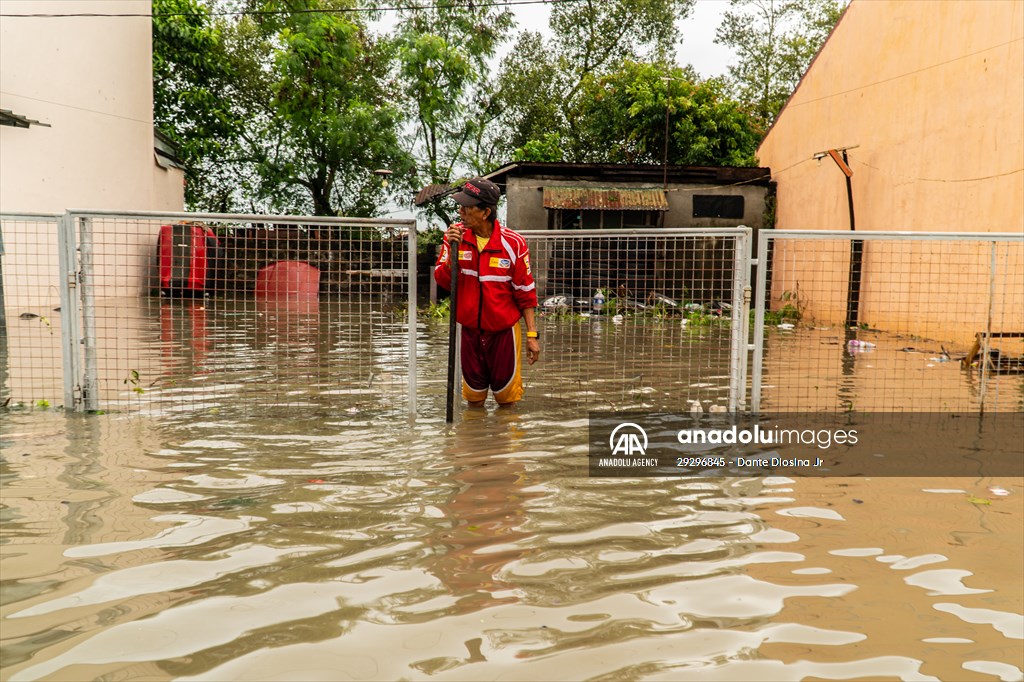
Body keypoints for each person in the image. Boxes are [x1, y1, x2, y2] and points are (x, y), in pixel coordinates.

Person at [434, 177, 540, 406]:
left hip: (504, 334)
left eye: (467, 207)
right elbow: (442, 281)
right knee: (473, 400)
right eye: (460, 206)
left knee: (506, 402)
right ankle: (475, 442)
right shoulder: (454, 238)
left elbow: (526, 292)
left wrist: (532, 336)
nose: (460, 212)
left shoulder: (514, 243)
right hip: (470, 333)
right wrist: (453, 254)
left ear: (485, 213)